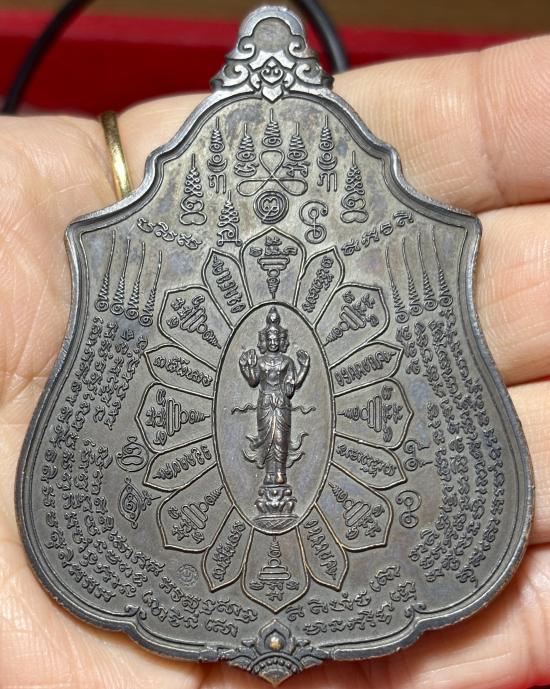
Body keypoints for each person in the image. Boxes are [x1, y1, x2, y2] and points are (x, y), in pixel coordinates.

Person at [1, 36, 550, 689]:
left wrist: (282, 376)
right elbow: (257, 375)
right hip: (263, 409)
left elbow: (295, 376)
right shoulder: (263, 360)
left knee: (279, 448)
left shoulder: (287, 363)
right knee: (268, 446)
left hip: (281, 407)